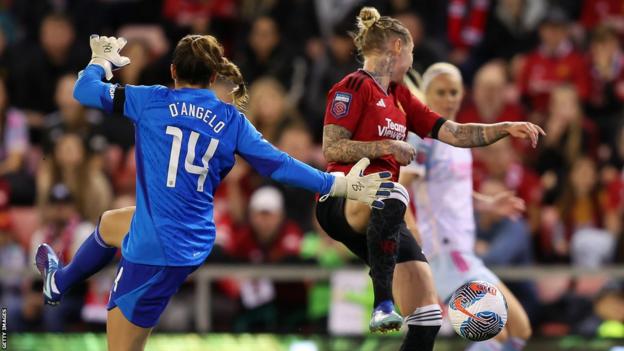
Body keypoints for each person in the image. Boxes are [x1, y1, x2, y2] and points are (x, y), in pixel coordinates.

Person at [35, 34, 392, 351]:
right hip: (194, 238)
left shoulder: (150, 100)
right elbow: (280, 164)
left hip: (156, 246)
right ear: (211, 78)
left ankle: (60, 284)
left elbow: (82, 90)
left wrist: (101, 61)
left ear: (173, 71)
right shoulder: (231, 120)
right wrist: (336, 183)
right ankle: (59, 282)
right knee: (113, 223)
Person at [315, 7, 544, 350]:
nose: (411, 63)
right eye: (410, 53)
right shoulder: (351, 87)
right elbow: (332, 149)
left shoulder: (400, 97)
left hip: (400, 217)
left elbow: (456, 132)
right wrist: (388, 146)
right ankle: (382, 303)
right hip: (350, 197)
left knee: (431, 320)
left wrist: (504, 129)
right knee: (391, 194)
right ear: (396, 47)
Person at [399, 63, 532, 351]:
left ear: (463, 94)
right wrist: (409, 225)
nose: (449, 98)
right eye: (441, 92)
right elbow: (400, 184)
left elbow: (453, 189)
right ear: (427, 95)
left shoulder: (457, 137)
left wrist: (487, 203)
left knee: (518, 330)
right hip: (445, 255)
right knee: (500, 332)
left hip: (463, 252)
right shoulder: (424, 139)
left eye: (454, 92)